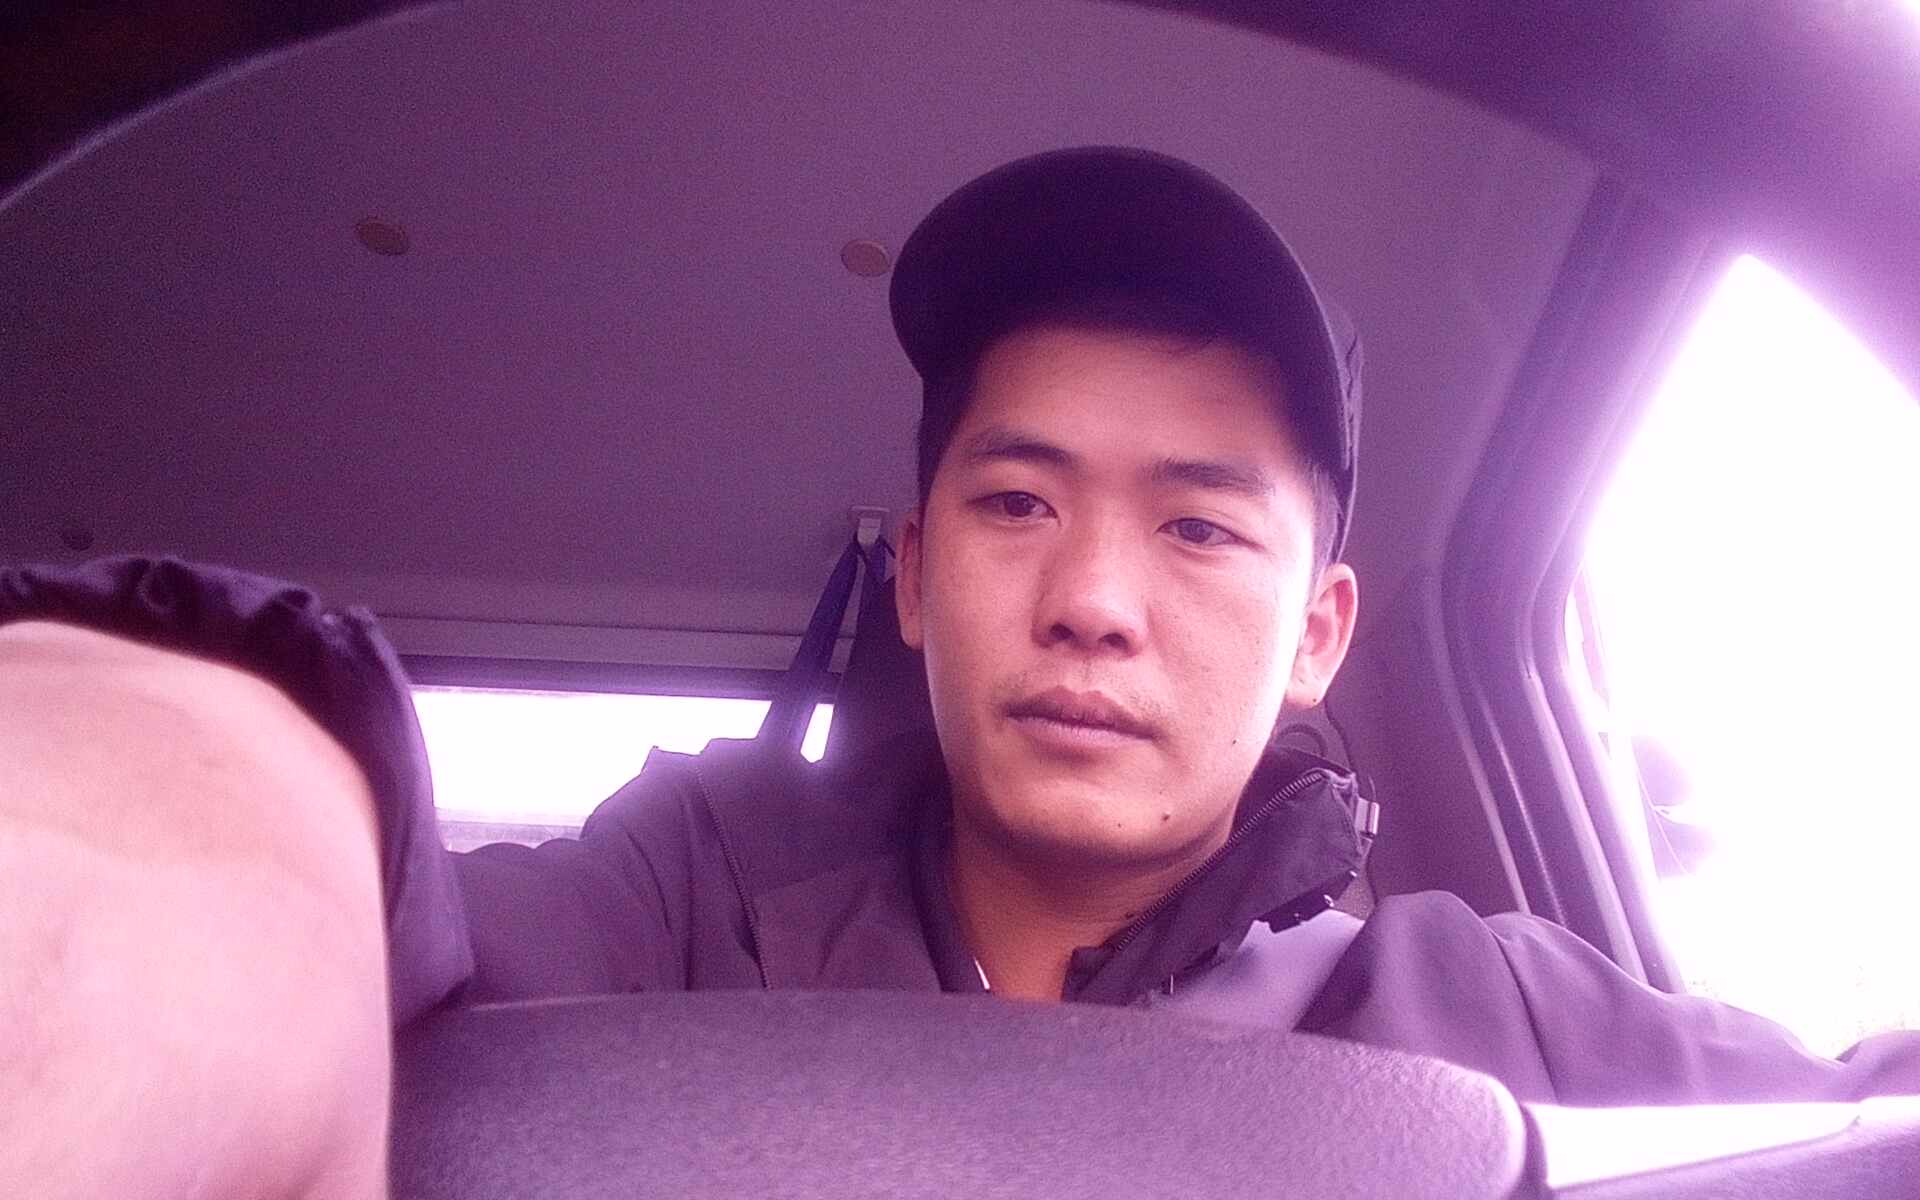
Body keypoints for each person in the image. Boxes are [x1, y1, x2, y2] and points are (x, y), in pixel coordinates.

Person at [3, 147, 1916, 1198]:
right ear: (914, 578)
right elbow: (373, 926)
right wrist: (197, 780)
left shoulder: (1488, 1003)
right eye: (1015, 504)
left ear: (1320, 633)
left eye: (1199, 529)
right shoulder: (693, 885)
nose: (1092, 600)